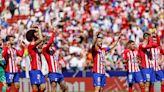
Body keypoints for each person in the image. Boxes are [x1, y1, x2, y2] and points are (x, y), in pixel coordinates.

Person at [26, 27, 46, 92]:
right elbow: (41, 39)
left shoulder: (35, 47)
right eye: (36, 33)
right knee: (37, 88)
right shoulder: (31, 45)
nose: (37, 34)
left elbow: (42, 41)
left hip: (38, 69)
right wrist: (39, 29)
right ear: (32, 36)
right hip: (34, 69)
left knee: (42, 87)